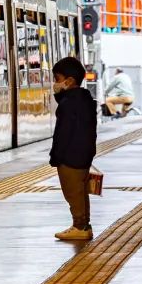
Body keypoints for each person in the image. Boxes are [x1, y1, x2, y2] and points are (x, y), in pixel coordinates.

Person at [49, 57, 98, 241]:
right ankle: (83, 224)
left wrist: (56, 156)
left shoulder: (69, 104)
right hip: (83, 154)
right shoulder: (83, 100)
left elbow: (63, 133)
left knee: (73, 192)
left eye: (57, 79)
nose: (55, 83)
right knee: (81, 191)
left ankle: (80, 226)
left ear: (69, 81)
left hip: (70, 156)